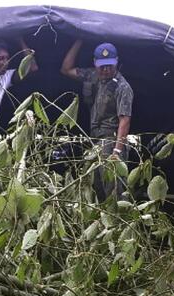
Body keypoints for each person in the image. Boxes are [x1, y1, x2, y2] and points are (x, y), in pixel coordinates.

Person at [60, 40, 133, 197]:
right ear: (95, 63)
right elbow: (66, 69)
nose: (106, 70)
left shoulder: (123, 87)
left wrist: (117, 151)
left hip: (110, 142)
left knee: (113, 193)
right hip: (95, 143)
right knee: (96, 192)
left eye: (110, 66)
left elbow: (124, 120)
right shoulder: (92, 76)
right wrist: (79, 40)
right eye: (102, 66)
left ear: (116, 62)